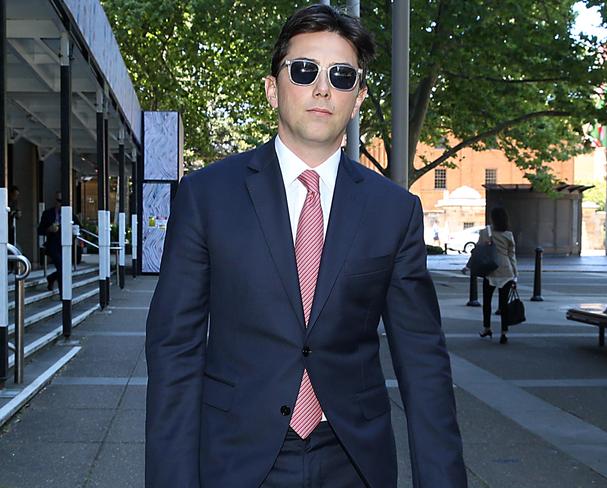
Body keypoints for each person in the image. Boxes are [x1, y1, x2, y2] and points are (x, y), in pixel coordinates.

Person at [145, 5, 466, 488]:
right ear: (273, 88)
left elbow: (422, 360)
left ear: (357, 99)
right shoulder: (207, 195)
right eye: (304, 70)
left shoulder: (394, 211)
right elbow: (175, 350)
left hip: (354, 460)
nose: (322, 88)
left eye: (341, 76)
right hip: (235, 458)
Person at [477, 207, 518, 344]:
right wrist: (515, 275)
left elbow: (479, 249)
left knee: (487, 302)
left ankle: (487, 328)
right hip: (506, 271)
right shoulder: (509, 235)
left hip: (490, 270)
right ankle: (504, 333)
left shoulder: (485, 232)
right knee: (503, 304)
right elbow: (512, 255)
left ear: (493, 218)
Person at [37, 192, 80, 294]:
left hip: (66, 245)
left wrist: (74, 231)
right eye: (59, 201)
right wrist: (49, 229)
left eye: (63, 201)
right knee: (61, 266)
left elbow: (79, 227)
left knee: (64, 267)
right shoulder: (48, 214)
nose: (60, 204)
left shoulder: (70, 215)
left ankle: (52, 278)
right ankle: (63, 294)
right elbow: (40, 230)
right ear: (55, 201)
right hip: (53, 244)